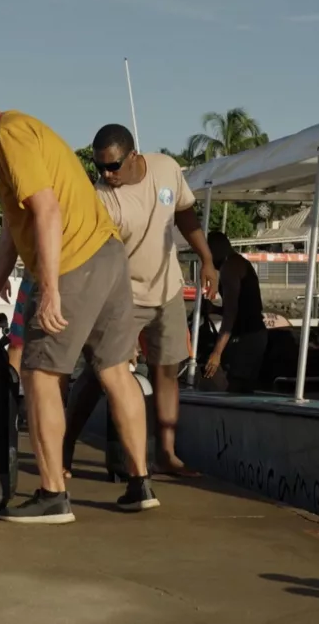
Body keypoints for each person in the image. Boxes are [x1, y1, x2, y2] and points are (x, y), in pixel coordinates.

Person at [0, 81, 157, 524]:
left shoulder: (9, 137)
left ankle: (53, 494)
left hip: (74, 261)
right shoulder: (25, 130)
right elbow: (14, 230)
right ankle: (140, 483)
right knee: (114, 371)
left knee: (39, 374)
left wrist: (48, 289)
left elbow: (47, 211)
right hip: (107, 254)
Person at [61, 124, 219, 479]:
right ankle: (64, 445)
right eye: (99, 167)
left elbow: (184, 213)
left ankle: (166, 455)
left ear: (133, 156)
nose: (106, 174)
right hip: (121, 295)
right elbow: (103, 258)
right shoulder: (100, 198)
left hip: (168, 288)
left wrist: (207, 259)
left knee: (167, 369)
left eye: (113, 166)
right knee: (99, 374)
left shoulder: (166, 167)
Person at [204, 231, 269, 393]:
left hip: (247, 337)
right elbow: (240, 307)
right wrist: (214, 309)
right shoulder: (238, 263)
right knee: (245, 387)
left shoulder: (230, 268)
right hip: (255, 334)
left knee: (236, 387)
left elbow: (231, 314)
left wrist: (216, 353)